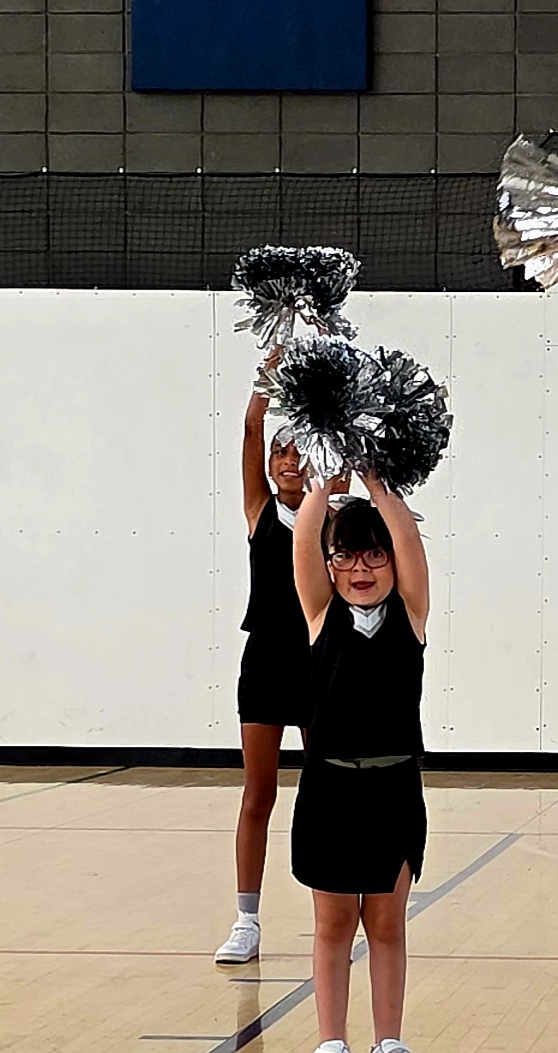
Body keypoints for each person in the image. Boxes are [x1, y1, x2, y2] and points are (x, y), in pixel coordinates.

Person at [289, 474, 432, 1053]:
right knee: (332, 927)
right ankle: (330, 1046)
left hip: (394, 792)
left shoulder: (410, 616)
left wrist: (376, 477)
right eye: (345, 556)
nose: (361, 568)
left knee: (388, 926)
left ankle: (388, 1044)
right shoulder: (321, 614)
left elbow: (409, 540)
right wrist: (324, 483)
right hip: (330, 791)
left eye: (375, 554)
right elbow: (304, 538)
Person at [215, 351, 348, 964]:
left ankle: (336, 914)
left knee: (328, 790)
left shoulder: (333, 516)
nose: (290, 461)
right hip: (265, 662)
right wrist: (267, 375)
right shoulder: (259, 511)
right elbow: (251, 428)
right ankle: (246, 920)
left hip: (321, 664)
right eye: (280, 453)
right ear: (269, 466)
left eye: (299, 452)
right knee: (258, 793)